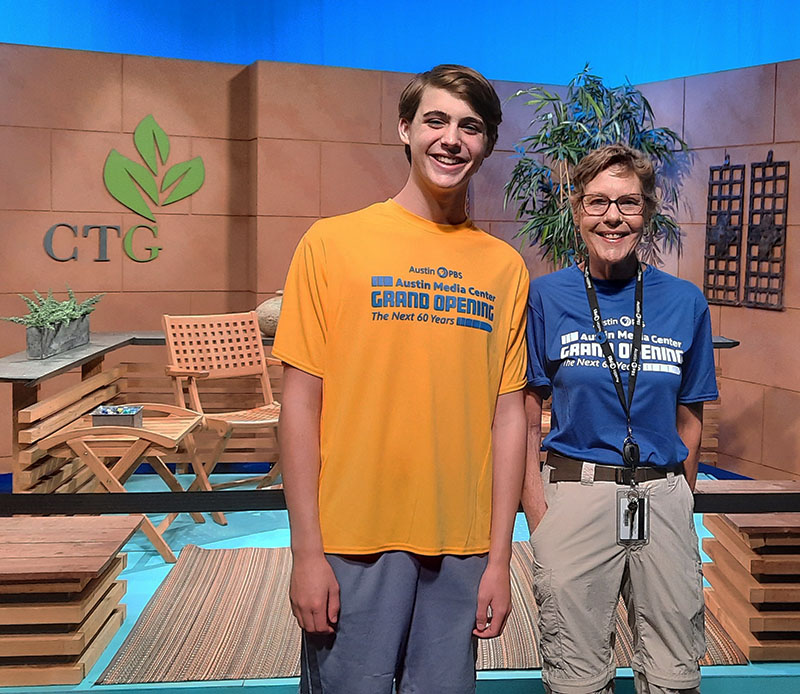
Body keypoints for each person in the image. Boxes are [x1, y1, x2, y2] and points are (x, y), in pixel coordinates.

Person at [273, 64, 529, 694]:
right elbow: (300, 407)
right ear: (405, 129)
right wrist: (307, 552)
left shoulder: (504, 268)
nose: (451, 139)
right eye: (436, 121)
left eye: (470, 127)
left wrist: (500, 560)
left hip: (462, 549)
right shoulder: (331, 245)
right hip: (353, 540)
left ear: (488, 144)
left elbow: (510, 418)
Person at [522, 143, 718, 694]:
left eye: (629, 203)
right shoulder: (546, 297)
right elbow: (524, 410)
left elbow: (690, 415)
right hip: (575, 494)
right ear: (577, 210)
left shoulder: (685, 302)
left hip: (661, 497)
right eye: (598, 202)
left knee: (675, 675)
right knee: (577, 679)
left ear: (648, 212)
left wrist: (680, 497)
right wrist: (540, 515)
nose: (613, 217)